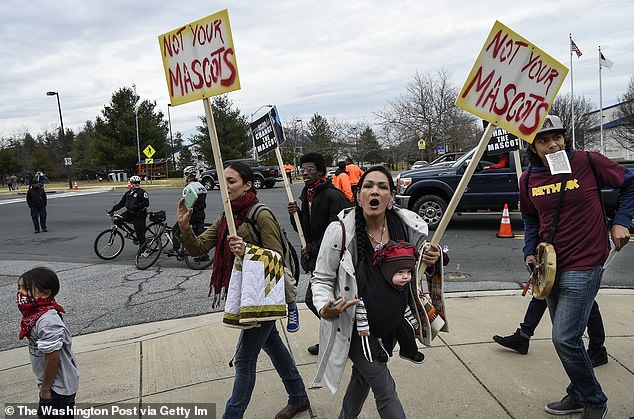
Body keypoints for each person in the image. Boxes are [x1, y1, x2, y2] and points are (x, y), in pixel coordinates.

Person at [519, 115, 633, 418]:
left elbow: (631, 183)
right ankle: (578, 393)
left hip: (586, 262)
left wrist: (621, 222)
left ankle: (594, 400)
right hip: (551, 267)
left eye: (557, 137)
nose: (553, 144)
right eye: (544, 140)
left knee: (564, 338)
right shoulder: (529, 179)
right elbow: (531, 219)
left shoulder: (587, 161)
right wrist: (530, 250)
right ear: (533, 147)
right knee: (568, 338)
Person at [176, 162, 309, 419]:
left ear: (248, 185)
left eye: (232, 181)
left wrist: (248, 251)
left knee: (244, 361)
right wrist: (184, 228)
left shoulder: (261, 214)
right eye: (223, 180)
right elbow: (199, 248)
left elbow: (277, 260)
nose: (225, 186)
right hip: (246, 295)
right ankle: (299, 397)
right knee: (273, 346)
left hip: (264, 296)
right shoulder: (226, 216)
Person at [310, 166, 443, 418]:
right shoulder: (340, 232)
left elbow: (422, 263)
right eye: (368, 186)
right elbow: (321, 279)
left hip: (392, 326)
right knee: (385, 389)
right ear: (358, 195)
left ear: (391, 197)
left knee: (362, 380)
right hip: (357, 328)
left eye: (382, 187)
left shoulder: (407, 226)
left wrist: (431, 257)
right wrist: (324, 306)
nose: (375, 191)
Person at [287, 152, 350, 354]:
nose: (305, 173)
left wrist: (312, 248)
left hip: (333, 260)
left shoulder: (334, 196)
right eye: (303, 169)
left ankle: (342, 337)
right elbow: (302, 230)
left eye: (310, 169)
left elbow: (338, 232)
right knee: (327, 301)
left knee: (314, 300)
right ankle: (338, 338)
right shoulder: (307, 195)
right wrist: (294, 215)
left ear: (321, 171)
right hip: (317, 258)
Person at [17, 267, 80, 418]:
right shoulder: (37, 315)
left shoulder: (47, 321)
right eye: (18, 288)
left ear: (45, 293)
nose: (20, 293)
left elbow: (53, 357)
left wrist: (46, 389)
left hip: (56, 388)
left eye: (26, 288)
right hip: (58, 385)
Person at [356, 240, 425, 364]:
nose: (406, 276)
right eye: (400, 272)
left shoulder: (401, 288)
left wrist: (413, 322)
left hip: (395, 320)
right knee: (380, 340)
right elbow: (361, 304)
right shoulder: (375, 289)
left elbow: (404, 306)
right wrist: (363, 325)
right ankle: (378, 353)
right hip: (377, 323)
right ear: (388, 271)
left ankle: (408, 351)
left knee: (407, 331)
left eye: (409, 272)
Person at [492, 297, 608, 367]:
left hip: (584, 263)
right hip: (561, 259)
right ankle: (523, 336)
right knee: (544, 289)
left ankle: (597, 349)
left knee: (587, 301)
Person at [168, 168, 207, 257]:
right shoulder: (202, 187)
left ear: (188, 175)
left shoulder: (189, 188)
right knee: (199, 234)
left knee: (175, 229)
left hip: (191, 214)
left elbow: (187, 204)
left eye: (185, 175)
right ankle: (204, 255)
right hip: (201, 213)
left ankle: (176, 249)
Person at [108, 175, 149, 246]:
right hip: (130, 213)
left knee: (140, 234)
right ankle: (131, 232)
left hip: (139, 214)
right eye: (135, 182)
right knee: (117, 220)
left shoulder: (142, 192)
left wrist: (136, 206)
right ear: (131, 183)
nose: (137, 184)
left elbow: (146, 203)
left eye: (138, 182)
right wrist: (112, 210)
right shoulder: (128, 193)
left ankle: (144, 249)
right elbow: (121, 203)